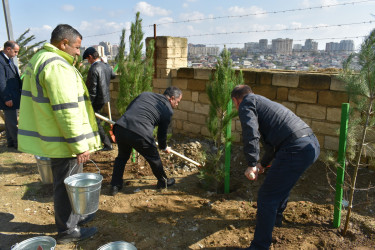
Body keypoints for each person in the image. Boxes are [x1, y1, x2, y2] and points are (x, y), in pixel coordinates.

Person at [17, 24, 102, 244]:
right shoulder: (57, 67)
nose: (77, 52)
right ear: (63, 43)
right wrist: (79, 145)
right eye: (76, 47)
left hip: (53, 136)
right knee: (67, 186)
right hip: (64, 142)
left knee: (68, 184)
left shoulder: (40, 59)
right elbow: (66, 111)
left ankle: (76, 217)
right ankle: (67, 231)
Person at [231, 85, 320, 250]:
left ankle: (260, 246)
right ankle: (275, 219)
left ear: (236, 101)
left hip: (295, 149)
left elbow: (251, 132)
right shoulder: (262, 102)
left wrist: (251, 164)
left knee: (266, 196)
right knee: (281, 184)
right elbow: (273, 146)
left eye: (235, 104)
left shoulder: (246, 104)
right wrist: (262, 164)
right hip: (311, 144)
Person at [110, 86, 182, 196]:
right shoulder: (167, 110)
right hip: (140, 132)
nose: (177, 105)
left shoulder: (146, 94)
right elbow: (162, 134)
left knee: (122, 157)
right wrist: (163, 147)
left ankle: (115, 185)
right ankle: (163, 181)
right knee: (154, 158)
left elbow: (130, 108)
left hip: (121, 127)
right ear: (172, 98)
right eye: (177, 102)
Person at [83, 47, 115, 151]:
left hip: (97, 100)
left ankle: (107, 144)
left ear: (91, 57)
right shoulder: (105, 66)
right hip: (105, 98)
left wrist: (89, 103)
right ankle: (104, 142)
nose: (88, 62)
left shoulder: (94, 69)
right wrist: (107, 65)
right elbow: (113, 76)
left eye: (88, 59)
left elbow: (92, 89)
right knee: (99, 121)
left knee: (96, 122)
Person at [0, 41, 22, 149]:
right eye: (15, 51)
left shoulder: (8, 60)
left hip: (13, 96)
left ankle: (11, 143)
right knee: (12, 122)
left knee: (9, 122)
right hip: (8, 98)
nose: (16, 54)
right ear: (8, 49)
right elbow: (1, 81)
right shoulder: (0, 61)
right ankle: (18, 144)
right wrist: (7, 97)